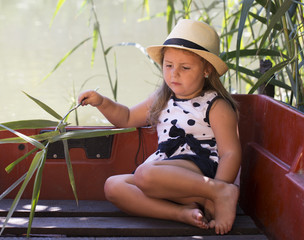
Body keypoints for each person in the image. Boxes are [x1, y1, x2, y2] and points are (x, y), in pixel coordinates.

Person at [78, 19, 241, 235]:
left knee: (144, 174)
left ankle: (218, 192)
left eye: (185, 67)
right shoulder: (162, 98)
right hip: (164, 177)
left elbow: (230, 152)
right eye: (168, 65)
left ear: (206, 69)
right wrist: (102, 102)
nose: (174, 74)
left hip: (197, 170)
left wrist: (219, 188)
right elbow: (126, 117)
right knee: (113, 186)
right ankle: (183, 212)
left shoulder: (215, 104)